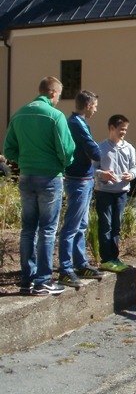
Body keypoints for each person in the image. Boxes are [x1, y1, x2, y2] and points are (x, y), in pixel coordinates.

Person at [3, 76, 75, 296]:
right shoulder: (55, 116)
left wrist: (23, 161)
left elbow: (8, 150)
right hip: (49, 176)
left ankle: (27, 279)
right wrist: (62, 164)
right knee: (47, 230)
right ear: (53, 93)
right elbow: (66, 150)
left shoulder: (20, 114)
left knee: (28, 229)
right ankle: (43, 281)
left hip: (26, 175)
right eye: (59, 95)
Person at [58, 90, 105, 288]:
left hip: (83, 178)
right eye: (94, 106)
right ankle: (66, 268)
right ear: (88, 106)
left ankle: (80, 263)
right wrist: (96, 151)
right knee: (72, 225)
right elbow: (94, 150)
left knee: (81, 224)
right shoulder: (77, 124)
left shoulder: (77, 123)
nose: (95, 110)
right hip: (78, 179)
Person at [94, 114, 136, 273]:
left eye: (125, 130)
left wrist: (130, 175)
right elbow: (92, 168)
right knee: (105, 224)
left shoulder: (129, 148)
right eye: (121, 130)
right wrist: (101, 174)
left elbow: (133, 168)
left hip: (121, 192)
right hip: (104, 191)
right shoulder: (100, 148)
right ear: (111, 128)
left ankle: (114, 257)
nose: (123, 133)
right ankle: (106, 259)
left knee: (116, 225)